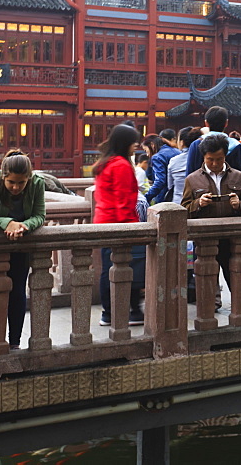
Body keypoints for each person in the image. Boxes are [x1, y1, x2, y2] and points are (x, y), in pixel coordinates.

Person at [0, 153, 46, 350]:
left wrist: (24, 226)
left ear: (29, 179)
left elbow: (40, 215)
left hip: (21, 246)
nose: (16, 187)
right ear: (3, 176)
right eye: (11, 182)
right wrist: (7, 223)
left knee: (18, 293)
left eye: (21, 183)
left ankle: (14, 342)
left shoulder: (37, 183)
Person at [181, 133, 241, 308]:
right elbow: (184, 208)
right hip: (205, 237)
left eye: (219, 159)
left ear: (225, 156)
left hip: (232, 237)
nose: (214, 164)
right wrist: (198, 203)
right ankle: (211, 305)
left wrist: (238, 205)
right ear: (204, 157)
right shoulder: (192, 179)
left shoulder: (237, 176)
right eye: (210, 160)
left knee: (235, 273)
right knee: (207, 274)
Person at [92, 124, 145, 328]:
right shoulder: (121, 165)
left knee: (108, 268)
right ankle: (129, 310)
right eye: (133, 142)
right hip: (118, 223)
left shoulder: (104, 163)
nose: (136, 146)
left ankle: (108, 312)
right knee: (127, 267)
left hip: (103, 221)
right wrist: (132, 229)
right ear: (125, 143)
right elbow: (124, 202)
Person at [186, 106, 241, 177]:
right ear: (226, 123)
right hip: (228, 187)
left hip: (201, 187)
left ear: (206, 123)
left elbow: (190, 173)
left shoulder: (196, 144)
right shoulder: (236, 145)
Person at [168, 126, 201, 205]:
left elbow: (170, 186)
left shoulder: (174, 161)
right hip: (198, 203)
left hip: (178, 203)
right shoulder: (204, 158)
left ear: (181, 142)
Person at [144, 134, 180, 204]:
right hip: (178, 194)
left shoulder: (157, 157)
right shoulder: (177, 151)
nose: (147, 154)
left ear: (152, 145)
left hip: (165, 197)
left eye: (146, 150)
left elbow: (160, 181)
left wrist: (147, 197)